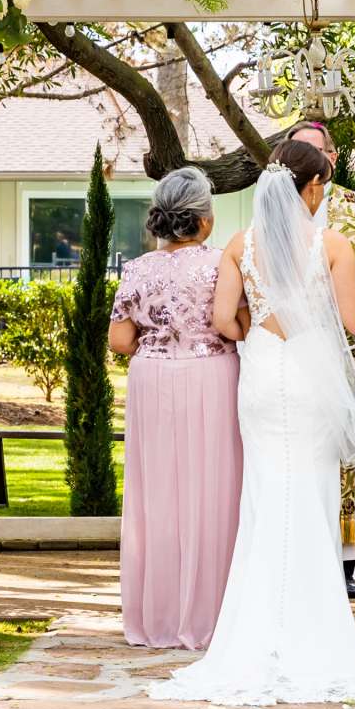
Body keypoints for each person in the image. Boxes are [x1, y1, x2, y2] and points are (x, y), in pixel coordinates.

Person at [151, 139, 355, 702]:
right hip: (310, 375)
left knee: (264, 500)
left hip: (261, 376)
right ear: (311, 189)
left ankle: (255, 634)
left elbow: (222, 320)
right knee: (311, 498)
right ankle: (314, 633)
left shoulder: (240, 244)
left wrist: (254, 334)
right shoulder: (332, 244)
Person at [112, 167, 241, 648]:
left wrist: (161, 340)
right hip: (211, 377)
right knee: (214, 490)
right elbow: (236, 326)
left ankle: (157, 618)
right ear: (204, 220)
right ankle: (210, 613)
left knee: (157, 496)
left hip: (153, 380)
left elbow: (120, 340)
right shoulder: (220, 265)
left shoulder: (137, 269)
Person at [284, 119, 355, 598]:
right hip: (289, 355)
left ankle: (343, 565)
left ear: (332, 160)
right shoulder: (272, 216)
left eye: (313, 153)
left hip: (344, 353)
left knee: (344, 453)